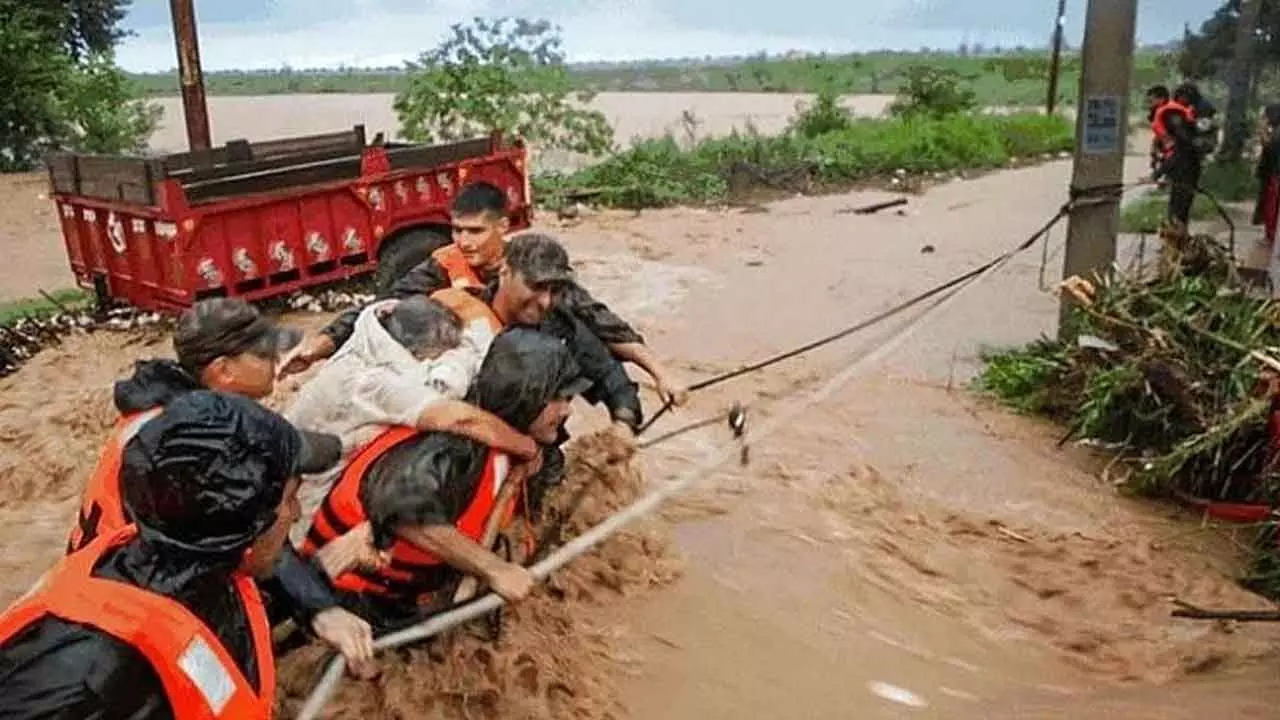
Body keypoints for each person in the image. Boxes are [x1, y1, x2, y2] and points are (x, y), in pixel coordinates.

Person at [0, 390, 377, 718]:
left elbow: (212, 639)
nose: (296, 513)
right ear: (244, 526)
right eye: (289, 499)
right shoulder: (82, 677)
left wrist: (322, 580)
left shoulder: (203, 569)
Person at [280, 180, 688, 407]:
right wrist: (320, 344)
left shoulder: (535, 272)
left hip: (526, 378)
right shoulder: (443, 264)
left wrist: (662, 374)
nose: (464, 240)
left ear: (503, 228)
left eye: (475, 231)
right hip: (462, 381)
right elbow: (381, 308)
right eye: (457, 230)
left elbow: (602, 324)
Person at [300, 327, 587, 631]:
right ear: (527, 397)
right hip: (352, 597)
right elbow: (402, 511)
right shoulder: (452, 449)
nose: (568, 409)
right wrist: (494, 569)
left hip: (411, 589)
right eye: (559, 399)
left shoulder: (527, 445)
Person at [283, 294, 543, 542]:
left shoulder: (373, 333)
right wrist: (525, 446)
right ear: (417, 353)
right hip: (301, 500)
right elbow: (457, 418)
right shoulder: (372, 382)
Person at [67, 296, 302, 553]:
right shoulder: (191, 442)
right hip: (120, 572)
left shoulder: (175, 416)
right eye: (264, 354)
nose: (276, 360)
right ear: (223, 370)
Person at [1144, 84, 1204, 228]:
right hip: (1179, 167)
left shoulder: (1171, 115)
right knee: (1175, 211)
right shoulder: (1166, 115)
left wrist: (1157, 174)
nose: (1149, 105)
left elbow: (1181, 149)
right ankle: (1176, 244)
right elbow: (1168, 145)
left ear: (1161, 99)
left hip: (1186, 168)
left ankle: (1178, 245)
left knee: (1178, 213)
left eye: (1151, 101)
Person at [1254, 104, 1280, 246]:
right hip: (1273, 173)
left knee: (1272, 206)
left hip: (1276, 174)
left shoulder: (1277, 132)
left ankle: (1271, 236)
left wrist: (1262, 131)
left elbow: (1270, 147)